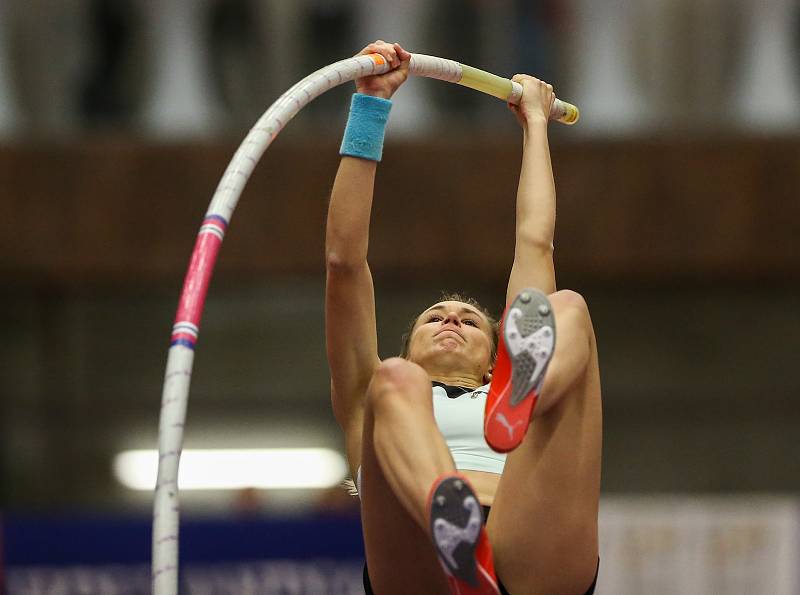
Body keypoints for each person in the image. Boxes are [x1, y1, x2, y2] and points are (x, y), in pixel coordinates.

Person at [325, 40, 601, 595]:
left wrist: (536, 126)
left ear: (496, 357)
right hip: (423, 564)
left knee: (566, 309)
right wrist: (370, 106)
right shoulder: (371, 397)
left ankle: (526, 395)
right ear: (408, 343)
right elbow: (344, 263)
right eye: (436, 318)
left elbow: (535, 243)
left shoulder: (504, 370)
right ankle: (455, 534)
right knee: (393, 383)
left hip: (531, 537)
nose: (452, 320)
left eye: (472, 322)